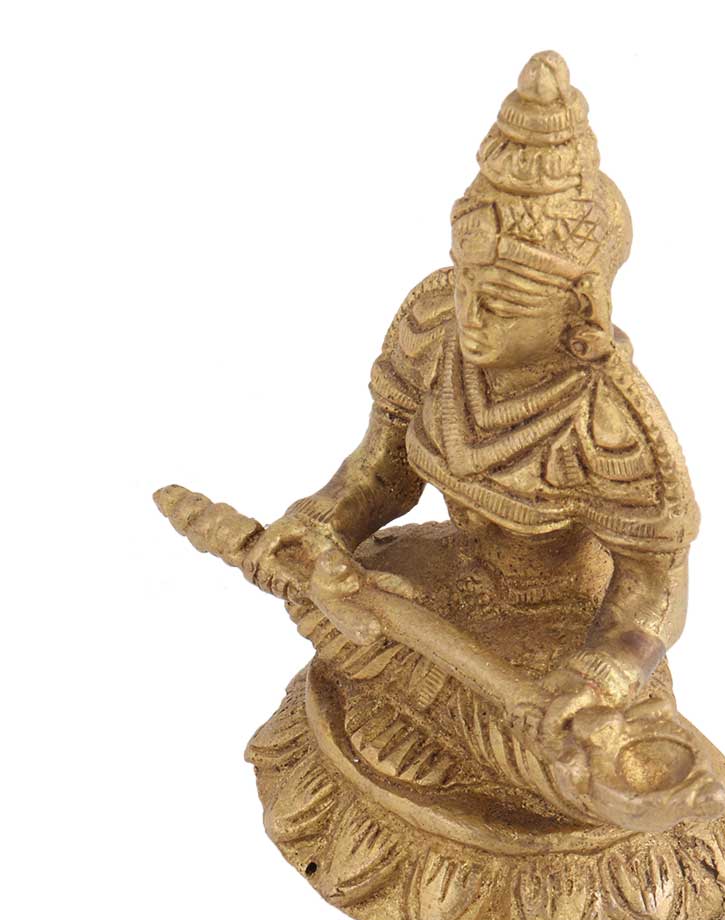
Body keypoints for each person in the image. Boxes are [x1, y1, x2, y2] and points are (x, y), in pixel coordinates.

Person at [244, 51, 700, 753]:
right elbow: (380, 472)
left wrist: (603, 675)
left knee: (572, 749)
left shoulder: (611, 422)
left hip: (562, 629)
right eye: (465, 284)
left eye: (505, 302)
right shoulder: (433, 326)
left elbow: (652, 588)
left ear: (581, 307)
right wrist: (320, 525)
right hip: (442, 587)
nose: (473, 317)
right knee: (342, 647)